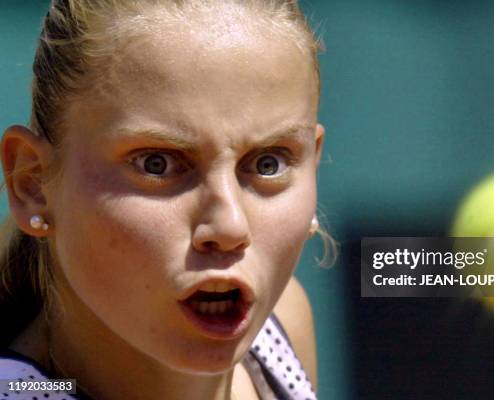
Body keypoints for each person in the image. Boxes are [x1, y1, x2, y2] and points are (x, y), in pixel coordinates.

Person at [0, 0, 335, 399]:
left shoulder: (279, 327)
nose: (229, 228)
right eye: (157, 164)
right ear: (32, 184)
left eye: (267, 163)